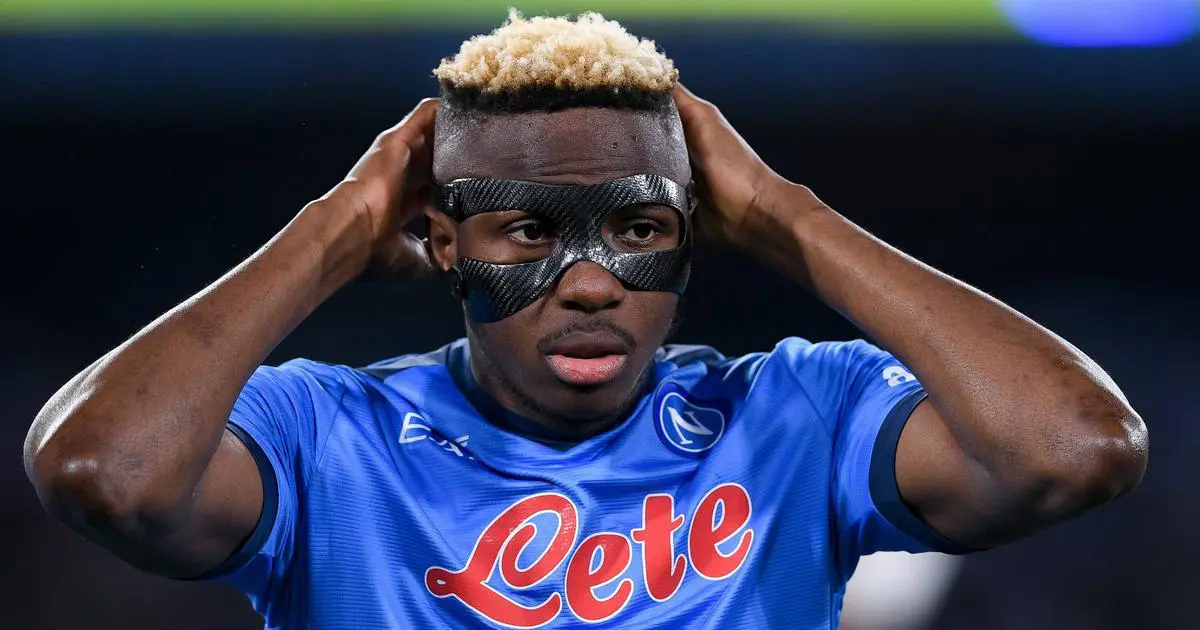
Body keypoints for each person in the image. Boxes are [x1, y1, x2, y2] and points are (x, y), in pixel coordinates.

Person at [23, 12, 1148, 629]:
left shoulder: (798, 413)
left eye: (638, 228)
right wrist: (334, 227)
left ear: (694, 236)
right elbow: (101, 472)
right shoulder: (328, 435)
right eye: (528, 230)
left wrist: (785, 214)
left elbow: (1076, 447)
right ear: (444, 243)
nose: (593, 282)